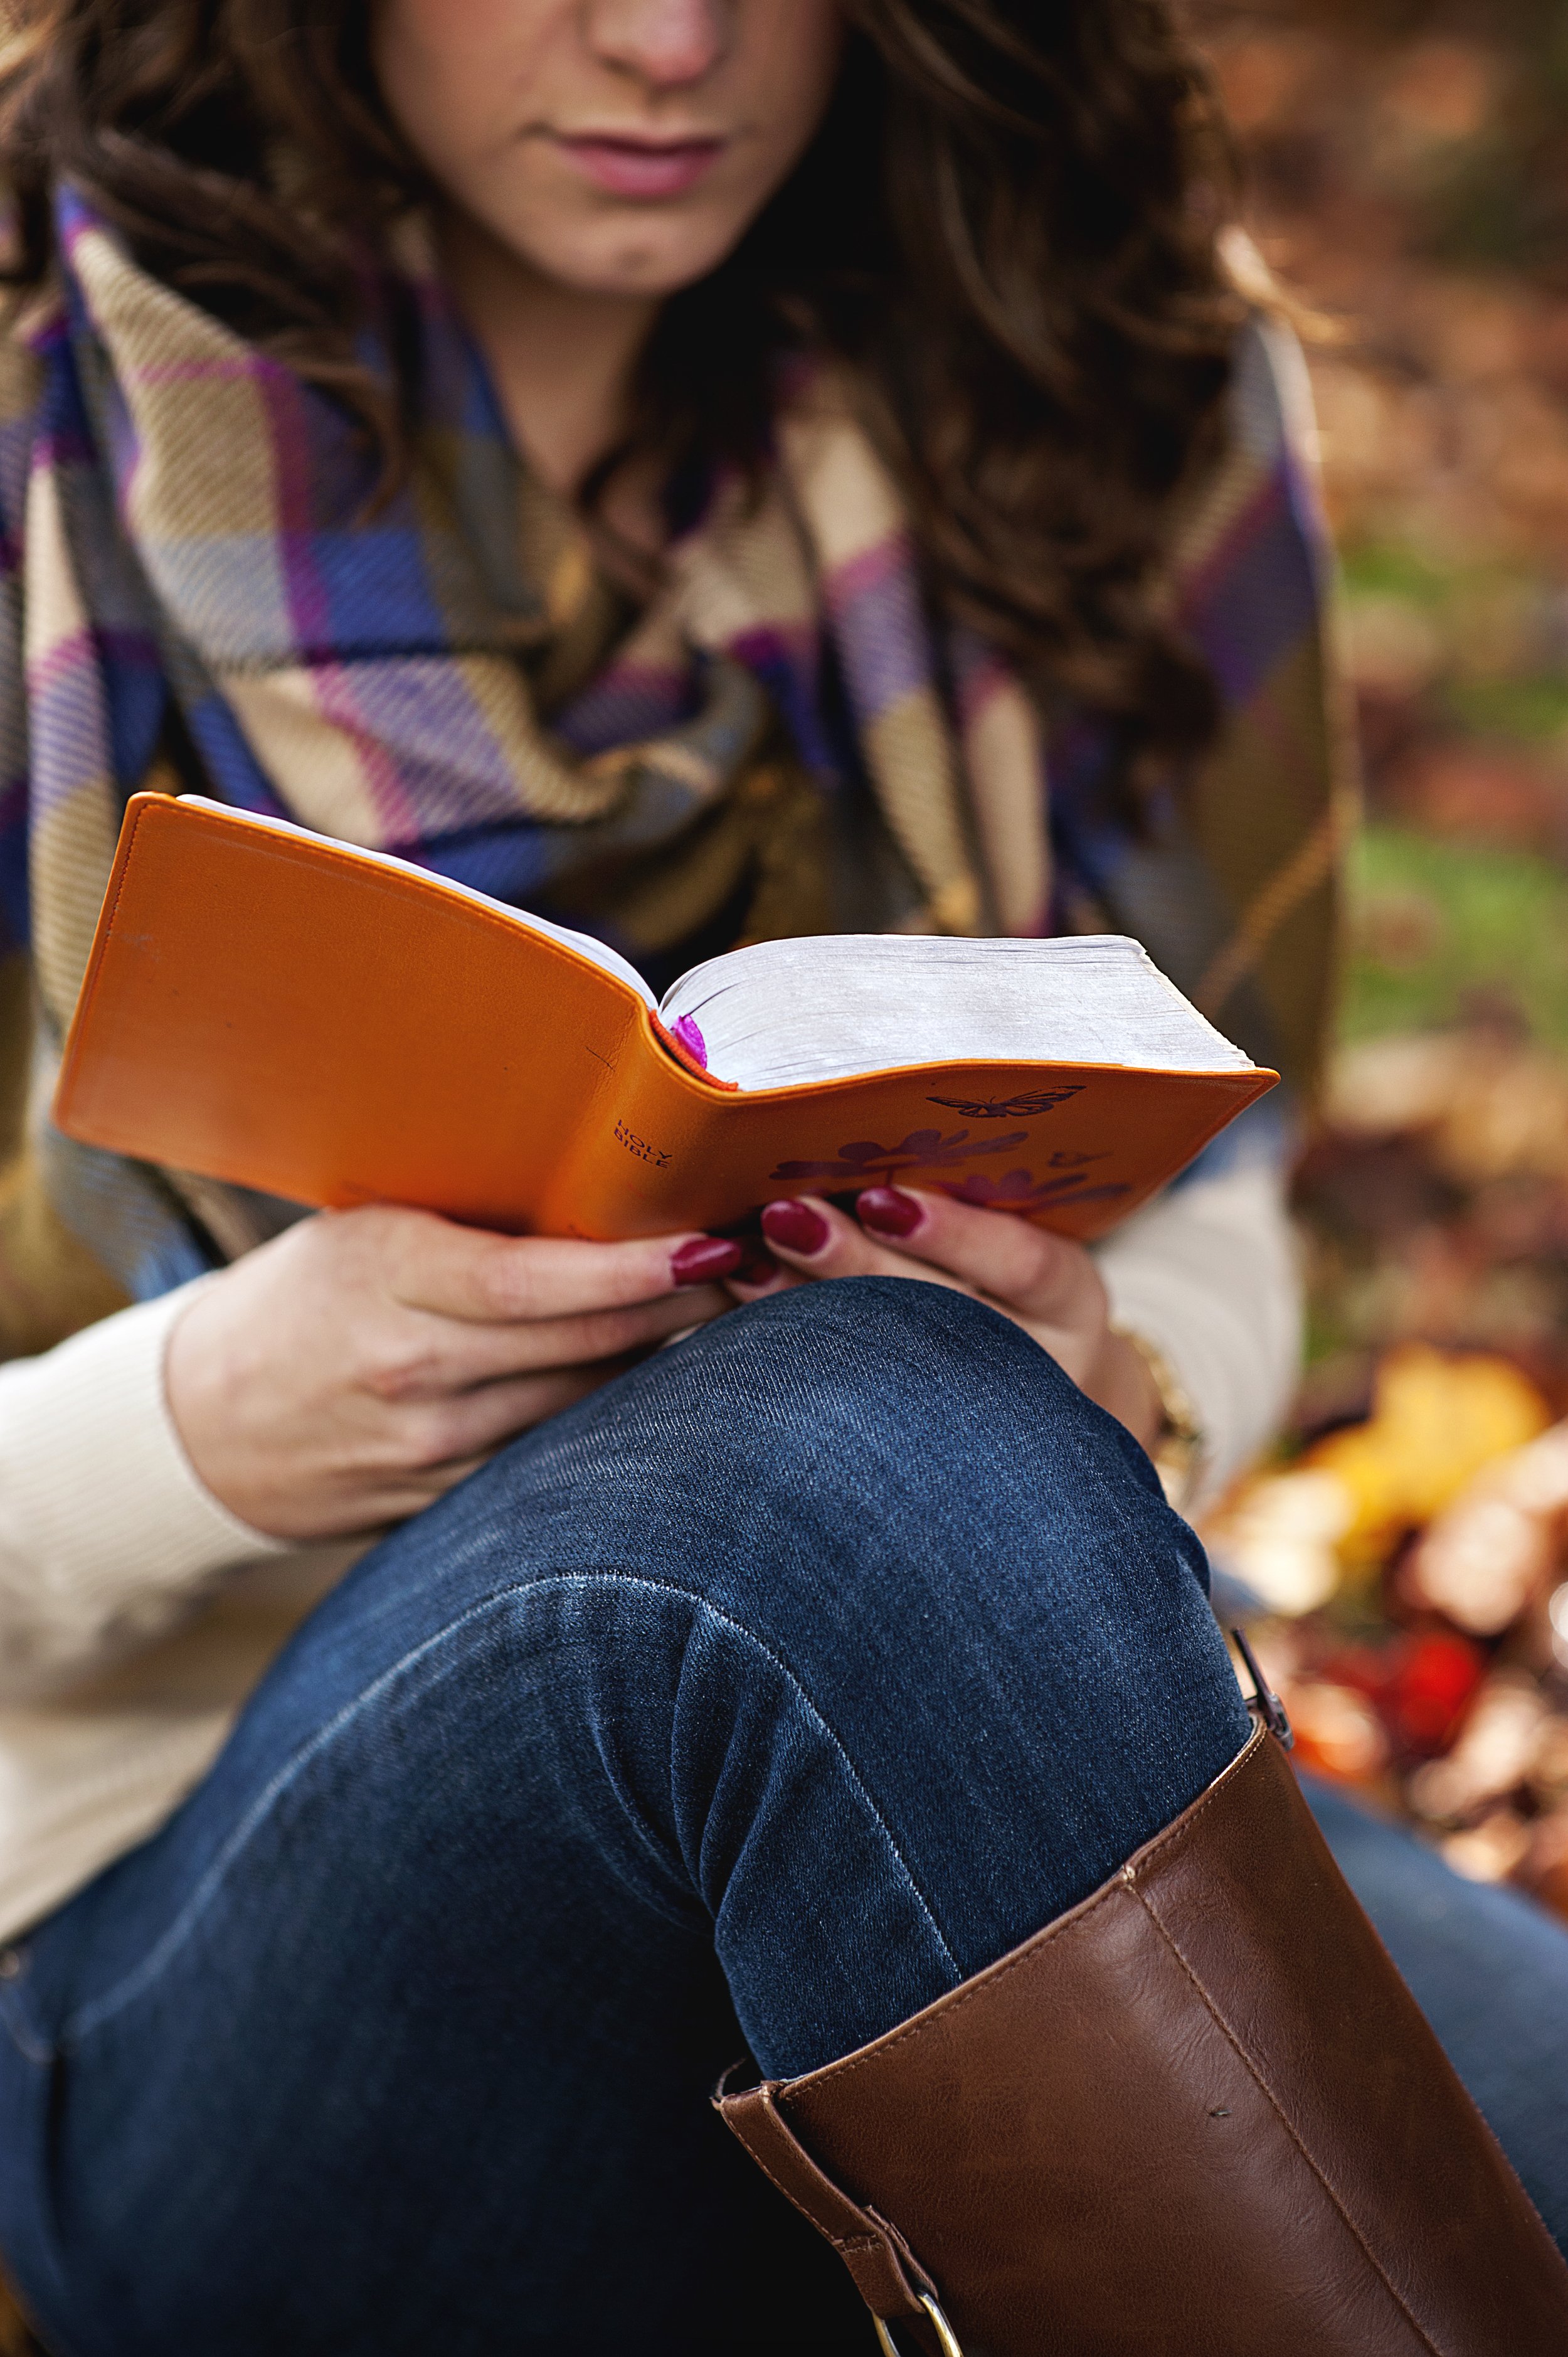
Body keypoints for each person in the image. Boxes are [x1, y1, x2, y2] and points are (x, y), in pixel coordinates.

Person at [0, 3, 1562, 2350]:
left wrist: (1118, 1369)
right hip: (161, 1954)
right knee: (842, 1459)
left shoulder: (1068, 356)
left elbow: (1221, 1172)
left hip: (949, 1747)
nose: (664, 40)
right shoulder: (44, 420)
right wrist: (195, 1427)